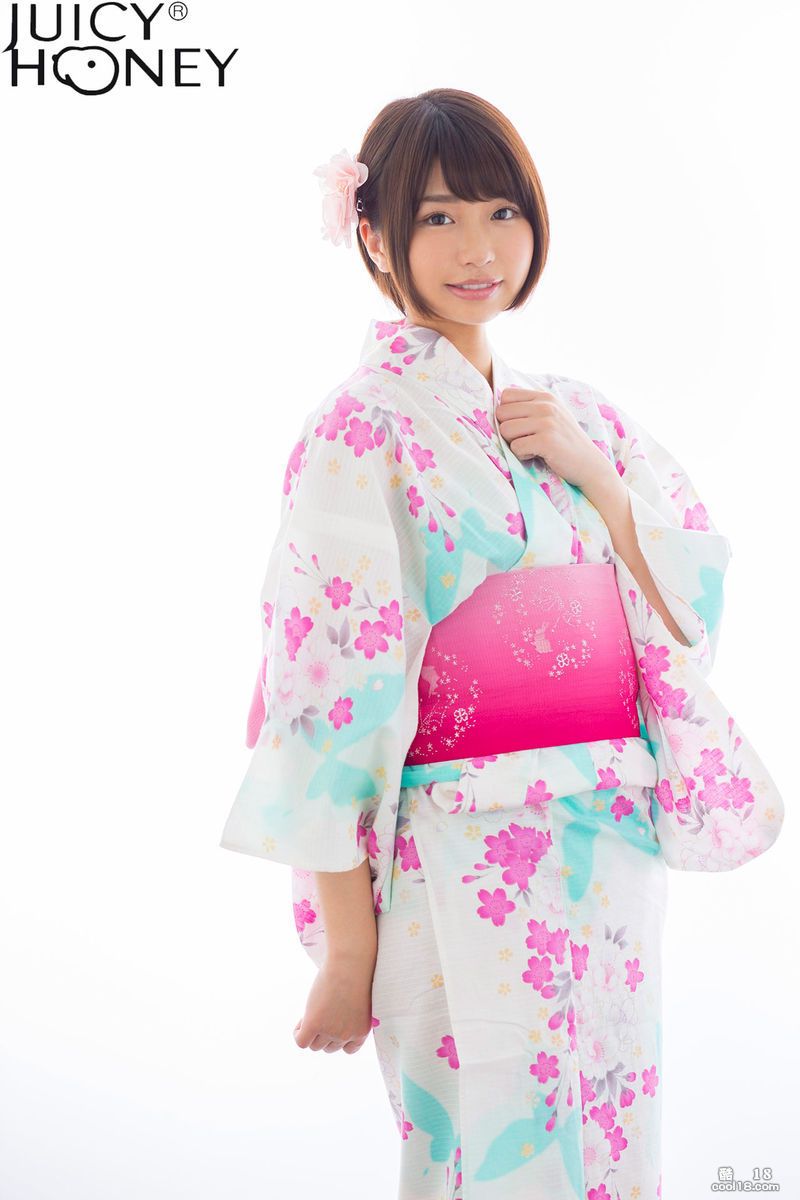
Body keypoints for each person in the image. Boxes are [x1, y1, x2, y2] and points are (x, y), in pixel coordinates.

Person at [218, 88, 784, 1200]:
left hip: (604, 835)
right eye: (437, 218)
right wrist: (348, 949)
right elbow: (326, 690)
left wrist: (598, 480)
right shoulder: (362, 425)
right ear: (372, 234)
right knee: (486, 1149)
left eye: (500, 212)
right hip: (461, 845)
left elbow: (686, 613)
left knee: (612, 1136)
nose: (478, 248)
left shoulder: (576, 414)